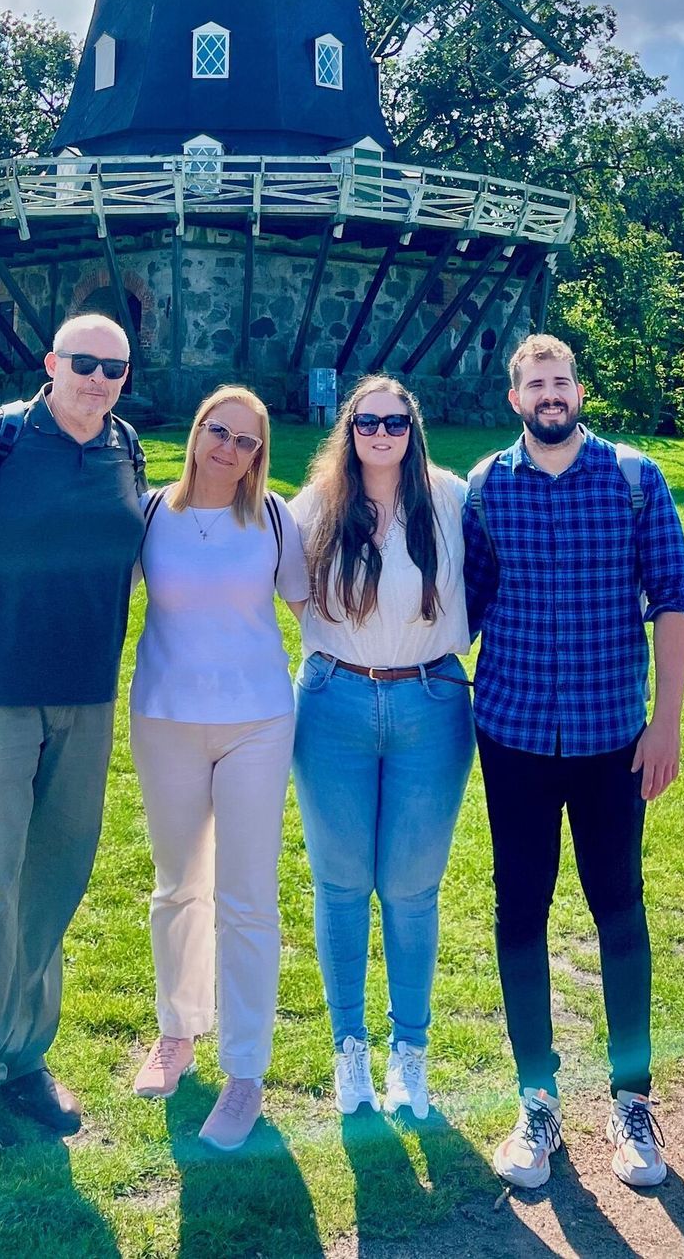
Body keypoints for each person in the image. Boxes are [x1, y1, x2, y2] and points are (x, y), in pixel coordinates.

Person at [0, 314, 146, 1169]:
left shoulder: (127, 447)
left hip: (84, 699)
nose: (97, 377)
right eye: (83, 362)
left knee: (53, 883)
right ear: (51, 363)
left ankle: (24, 1057)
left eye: (113, 366)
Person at [464, 334, 684, 1192]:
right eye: (536, 383)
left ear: (579, 391)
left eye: (562, 381)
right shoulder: (488, 488)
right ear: (516, 396)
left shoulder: (635, 480)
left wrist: (664, 722)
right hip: (514, 733)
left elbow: (673, 601)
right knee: (519, 909)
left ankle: (631, 1100)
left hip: (611, 738)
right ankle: (537, 1100)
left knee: (619, 906)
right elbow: (468, 600)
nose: (551, 394)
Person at [128, 384, 308, 1152]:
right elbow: (98, 596)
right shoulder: (146, 514)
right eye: (218, 431)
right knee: (177, 885)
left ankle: (245, 1070)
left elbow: (316, 609)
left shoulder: (273, 518)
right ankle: (178, 1030)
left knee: (246, 897)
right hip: (165, 718)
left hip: (257, 722)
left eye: (246, 441)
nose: (229, 449)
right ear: (196, 432)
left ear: (259, 455)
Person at [289, 377, 473, 1122]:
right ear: (351, 425)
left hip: (429, 702)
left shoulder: (451, 497)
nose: (382, 432)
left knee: (409, 888)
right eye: (368, 420)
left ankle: (411, 1052)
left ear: (413, 426)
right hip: (334, 702)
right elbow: (279, 577)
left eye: (396, 420)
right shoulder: (317, 504)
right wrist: (330, 635)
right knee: (339, 883)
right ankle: (348, 1047)